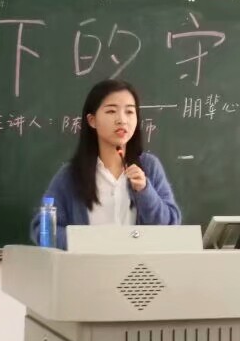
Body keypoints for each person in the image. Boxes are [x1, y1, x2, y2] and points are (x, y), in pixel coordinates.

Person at [30, 79, 181, 249]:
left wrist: (145, 191)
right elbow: (42, 230)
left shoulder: (149, 167)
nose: (122, 120)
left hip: (138, 266)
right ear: (92, 120)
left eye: (129, 112)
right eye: (111, 111)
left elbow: (171, 226)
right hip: (88, 265)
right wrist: (88, 242)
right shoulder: (72, 174)